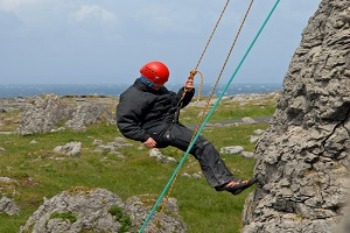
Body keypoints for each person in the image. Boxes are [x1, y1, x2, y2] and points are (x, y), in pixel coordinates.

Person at [116, 61, 256, 195]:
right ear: (149, 81)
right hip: (157, 131)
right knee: (201, 146)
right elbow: (125, 123)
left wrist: (186, 92)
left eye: (162, 84)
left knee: (202, 145)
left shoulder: (157, 89)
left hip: (169, 126)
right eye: (159, 84)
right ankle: (226, 183)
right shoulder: (132, 97)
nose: (161, 86)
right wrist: (144, 137)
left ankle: (226, 181)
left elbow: (175, 105)